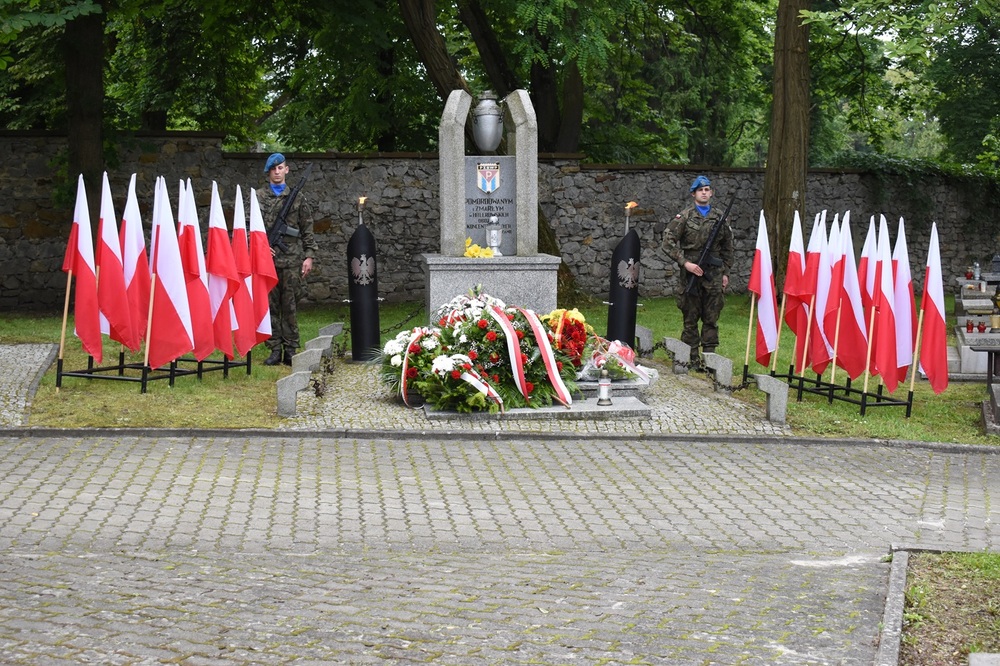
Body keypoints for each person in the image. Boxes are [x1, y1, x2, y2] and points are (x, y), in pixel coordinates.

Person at [662, 175, 734, 369]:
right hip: (691, 272)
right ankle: (690, 358)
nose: (704, 192)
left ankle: (710, 359)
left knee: (711, 316)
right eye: (700, 190)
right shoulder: (685, 216)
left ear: (711, 193)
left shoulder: (720, 217)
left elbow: (728, 246)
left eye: (707, 189)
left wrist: (725, 272)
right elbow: (667, 242)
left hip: (714, 273)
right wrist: (685, 263)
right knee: (690, 316)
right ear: (694, 193)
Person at [259, 153, 318, 366]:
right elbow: (250, 228)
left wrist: (309, 256)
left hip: (291, 261)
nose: (277, 172)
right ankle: (274, 348)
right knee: (271, 306)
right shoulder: (258, 197)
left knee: (290, 306)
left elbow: (307, 228)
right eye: (273, 169)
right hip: (267, 262)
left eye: (280, 167)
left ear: (287, 169)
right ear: (268, 172)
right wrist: (262, 246)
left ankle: (291, 349)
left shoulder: (297, 197)